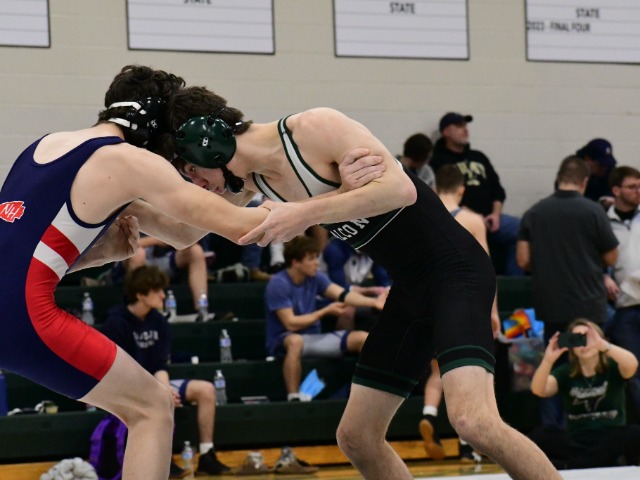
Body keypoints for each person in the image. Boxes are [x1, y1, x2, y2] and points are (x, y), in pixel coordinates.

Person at [163, 86, 562, 479]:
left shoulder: (313, 128)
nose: (197, 184)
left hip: (455, 273)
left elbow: (401, 190)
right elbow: (186, 231)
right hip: (410, 288)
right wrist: (130, 213)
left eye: (192, 170)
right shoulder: (253, 180)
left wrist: (304, 212)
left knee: (473, 422)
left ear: (209, 143)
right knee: (357, 437)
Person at [0, 65, 278, 480]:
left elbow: (180, 234)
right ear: (154, 124)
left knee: (146, 405)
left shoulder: (44, 146)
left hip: (13, 305)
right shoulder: (129, 160)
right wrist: (273, 183)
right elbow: (238, 228)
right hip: (22, 317)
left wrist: (97, 255)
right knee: (152, 407)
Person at [517, 155, 619, 428]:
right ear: (584, 181)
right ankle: (589, 425)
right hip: (587, 307)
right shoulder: (593, 211)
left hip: (552, 306)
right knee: (589, 367)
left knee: (554, 364)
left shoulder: (535, 212)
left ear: (559, 178)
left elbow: (523, 260)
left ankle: (552, 432)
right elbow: (611, 257)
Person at [102, 265, 230, 476]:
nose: (163, 295)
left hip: (154, 381)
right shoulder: (116, 323)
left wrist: (164, 389)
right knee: (159, 400)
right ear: (140, 295)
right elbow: (121, 372)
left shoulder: (159, 321)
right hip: (127, 387)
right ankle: (161, 459)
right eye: (157, 291)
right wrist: (159, 391)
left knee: (206, 390)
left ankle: (207, 455)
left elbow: (161, 364)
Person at [418, 165, 501, 462]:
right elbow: (486, 269)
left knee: (437, 371)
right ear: (462, 189)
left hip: (430, 302)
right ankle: (468, 445)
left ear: (435, 187)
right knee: (469, 374)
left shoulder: (422, 216)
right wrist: (493, 311)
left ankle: (428, 414)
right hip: (465, 304)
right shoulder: (472, 220)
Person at [264, 235, 385, 401]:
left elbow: (343, 295)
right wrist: (325, 311)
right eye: (311, 259)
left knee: (363, 339)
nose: (316, 263)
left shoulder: (316, 277)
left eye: (316, 257)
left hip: (314, 338)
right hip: (283, 340)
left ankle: (367, 392)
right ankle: (293, 396)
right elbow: (291, 324)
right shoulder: (278, 283)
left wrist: (374, 302)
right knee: (295, 341)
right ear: (295, 262)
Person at [529, 318, 640, 469]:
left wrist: (603, 345)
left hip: (610, 435)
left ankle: (574, 465)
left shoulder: (614, 367)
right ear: (571, 346)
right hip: (576, 439)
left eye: (587, 337)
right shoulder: (565, 372)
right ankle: (596, 462)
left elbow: (632, 364)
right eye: (577, 339)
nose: (583, 344)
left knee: (635, 432)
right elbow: (538, 390)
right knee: (539, 436)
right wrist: (548, 360)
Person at [430, 112, 523, 276]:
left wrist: (495, 214)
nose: (465, 129)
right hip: (458, 218)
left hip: (490, 218)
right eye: (459, 126)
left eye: (465, 126)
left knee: (521, 229)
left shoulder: (479, 157)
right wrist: (470, 216)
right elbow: (439, 194)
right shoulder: (438, 161)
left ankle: (513, 284)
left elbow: (498, 190)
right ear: (446, 132)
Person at [603, 166, 640, 415]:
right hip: (625, 307)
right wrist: (602, 277)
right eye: (632, 187)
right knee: (633, 371)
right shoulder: (603, 221)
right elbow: (592, 257)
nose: (638, 191)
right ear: (616, 190)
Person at [109, 234, 210, 317]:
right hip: (133, 259)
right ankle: (137, 310)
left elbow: (191, 238)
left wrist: (181, 240)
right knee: (138, 253)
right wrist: (156, 240)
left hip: (163, 257)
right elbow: (120, 246)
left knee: (196, 251)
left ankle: (202, 308)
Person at [322, 237, 390, 331]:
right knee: (349, 306)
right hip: (328, 295)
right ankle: (346, 337)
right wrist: (369, 291)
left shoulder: (374, 249)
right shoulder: (335, 250)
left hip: (356, 290)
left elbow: (383, 279)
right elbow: (338, 287)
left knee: (390, 300)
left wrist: (386, 291)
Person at [576, 138, 617, 206]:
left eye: (607, 165)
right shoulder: (573, 172)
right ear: (587, 159)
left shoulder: (610, 171)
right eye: (601, 165)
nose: (605, 168)